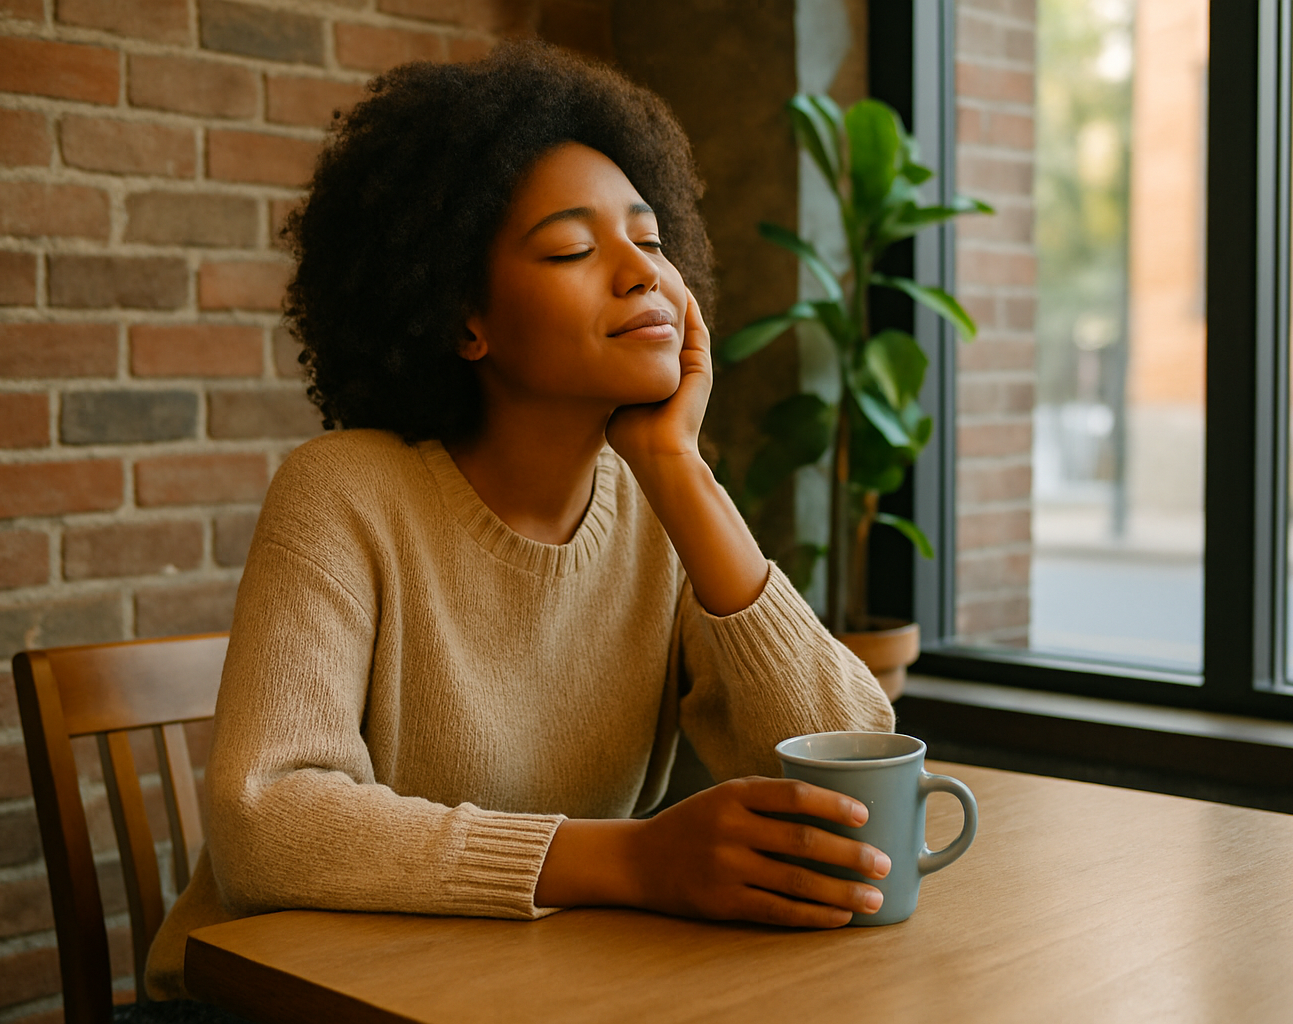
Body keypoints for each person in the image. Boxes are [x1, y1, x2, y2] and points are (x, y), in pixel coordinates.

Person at [144, 40, 895, 1006]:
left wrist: (681, 473)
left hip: (517, 993)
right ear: (466, 320)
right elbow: (266, 823)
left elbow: (851, 767)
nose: (642, 275)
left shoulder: (659, 505)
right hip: (273, 1003)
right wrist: (631, 860)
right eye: (574, 249)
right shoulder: (343, 493)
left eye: (651, 242)